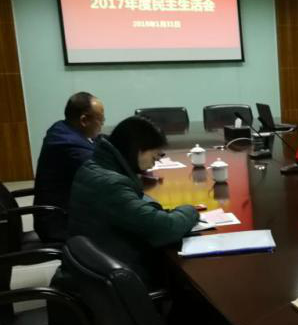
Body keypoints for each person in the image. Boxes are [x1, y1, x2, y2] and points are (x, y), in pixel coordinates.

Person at [67, 116, 199, 287]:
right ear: (138, 150)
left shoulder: (94, 166)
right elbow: (165, 229)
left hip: (95, 267)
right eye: (154, 156)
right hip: (118, 278)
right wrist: (190, 210)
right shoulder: (112, 185)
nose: (155, 163)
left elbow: (131, 209)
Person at [32, 92, 105, 242]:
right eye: (101, 120)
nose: (102, 124)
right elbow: (103, 175)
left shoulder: (62, 128)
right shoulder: (69, 145)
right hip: (59, 224)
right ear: (84, 120)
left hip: (61, 212)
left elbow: (97, 141)